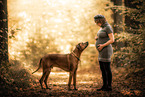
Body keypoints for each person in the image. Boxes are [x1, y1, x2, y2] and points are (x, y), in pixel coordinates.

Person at [94, 15, 114, 91]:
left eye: (98, 22)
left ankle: (109, 86)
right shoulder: (102, 28)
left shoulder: (108, 27)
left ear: (101, 21)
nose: (97, 24)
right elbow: (104, 36)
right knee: (102, 69)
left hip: (106, 50)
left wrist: (102, 45)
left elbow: (112, 40)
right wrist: (97, 38)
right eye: (96, 22)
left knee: (107, 68)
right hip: (101, 51)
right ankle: (104, 86)